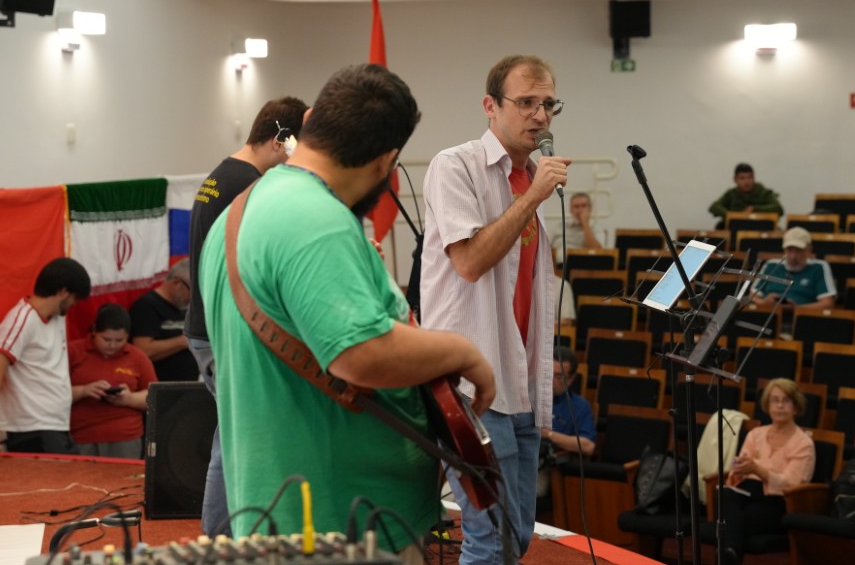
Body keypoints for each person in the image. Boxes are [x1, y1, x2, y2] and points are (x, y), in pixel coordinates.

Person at [200, 63, 495, 556]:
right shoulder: (316, 220)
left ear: (309, 120)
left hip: (293, 513)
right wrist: (464, 352)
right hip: (341, 523)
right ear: (386, 163)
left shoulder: (244, 208)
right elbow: (361, 353)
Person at [420, 54, 568, 565]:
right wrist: (532, 198)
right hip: (470, 385)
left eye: (548, 104)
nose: (540, 116)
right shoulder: (454, 166)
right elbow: (469, 262)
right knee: (489, 539)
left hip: (518, 380)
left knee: (516, 537)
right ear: (490, 106)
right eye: (526, 102)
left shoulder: (533, 177)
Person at [186, 95, 309, 537]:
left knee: (235, 436)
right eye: (296, 149)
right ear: (281, 140)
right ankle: (220, 540)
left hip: (207, 326)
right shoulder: (247, 185)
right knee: (240, 440)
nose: (296, 161)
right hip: (223, 330)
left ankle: (222, 539)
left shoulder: (221, 175)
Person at [0, 257, 91, 454]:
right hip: (34, 430)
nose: (74, 304)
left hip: (56, 427)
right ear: (63, 292)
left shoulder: (57, 317)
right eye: (75, 299)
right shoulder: (22, 320)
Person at [718, 378, 815, 563]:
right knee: (727, 495)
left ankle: (728, 554)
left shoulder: (804, 443)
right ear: (767, 405)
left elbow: (791, 485)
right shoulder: (755, 434)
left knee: (733, 519)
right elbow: (738, 467)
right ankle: (730, 554)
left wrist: (757, 469)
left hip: (778, 503)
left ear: (796, 407)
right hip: (746, 494)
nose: (780, 406)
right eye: (774, 400)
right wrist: (739, 469)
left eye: (786, 400)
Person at [68, 303, 158, 459]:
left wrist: (129, 399)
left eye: (119, 340)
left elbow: (155, 397)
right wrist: (84, 391)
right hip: (82, 435)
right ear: (94, 331)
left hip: (125, 436)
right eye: (106, 339)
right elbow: (52, 393)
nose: (112, 345)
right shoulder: (73, 352)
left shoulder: (137, 356)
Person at [537, 346, 596, 499]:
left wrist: (548, 434)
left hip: (548, 466)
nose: (551, 382)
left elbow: (588, 446)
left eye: (559, 377)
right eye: (548, 374)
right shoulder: (529, 397)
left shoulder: (579, 406)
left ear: (571, 379)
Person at [130, 258, 197, 382]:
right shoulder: (147, 306)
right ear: (177, 283)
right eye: (192, 291)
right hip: (160, 386)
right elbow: (143, 350)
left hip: (189, 384)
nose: (193, 298)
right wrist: (182, 341)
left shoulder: (186, 307)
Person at [749, 227, 837, 312]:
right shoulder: (771, 265)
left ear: (809, 249)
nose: (793, 256)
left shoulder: (819, 267)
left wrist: (796, 309)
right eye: (789, 250)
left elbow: (828, 304)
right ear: (784, 249)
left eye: (798, 250)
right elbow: (752, 297)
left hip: (802, 317)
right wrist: (764, 303)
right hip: (769, 314)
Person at [708, 163, 783, 228]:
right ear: (735, 179)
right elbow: (714, 206)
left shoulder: (763, 193)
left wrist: (754, 209)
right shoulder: (732, 194)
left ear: (754, 178)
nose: (747, 182)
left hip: (761, 229)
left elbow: (778, 209)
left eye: (749, 177)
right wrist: (732, 216)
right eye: (742, 178)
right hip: (736, 229)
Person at [551, 192, 602, 264]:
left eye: (584, 206)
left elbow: (596, 252)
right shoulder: (559, 227)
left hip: (584, 266)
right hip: (558, 266)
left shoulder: (596, 228)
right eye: (576, 206)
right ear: (570, 210)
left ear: (590, 209)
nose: (580, 210)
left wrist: (585, 224)